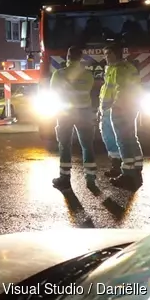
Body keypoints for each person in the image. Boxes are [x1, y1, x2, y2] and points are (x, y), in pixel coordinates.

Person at [50, 46, 97, 191]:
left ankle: (64, 178)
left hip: (66, 114)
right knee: (87, 145)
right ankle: (90, 178)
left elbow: (54, 93)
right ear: (81, 57)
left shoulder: (59, 74)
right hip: (84, 112)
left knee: (65, 145)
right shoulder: (88, 75)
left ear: (67, 56)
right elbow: (89, 91)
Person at [99, 43, 144, 190]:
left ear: (113, 54)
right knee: (131, 137)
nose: (105, 58)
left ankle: (128, 174)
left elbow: (119, 90)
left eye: (106, 54)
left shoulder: (118, 70)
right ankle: (137, 167)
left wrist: (115, 106)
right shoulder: (128, 67)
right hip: (130, 107)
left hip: (120, 109)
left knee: (123, 141)